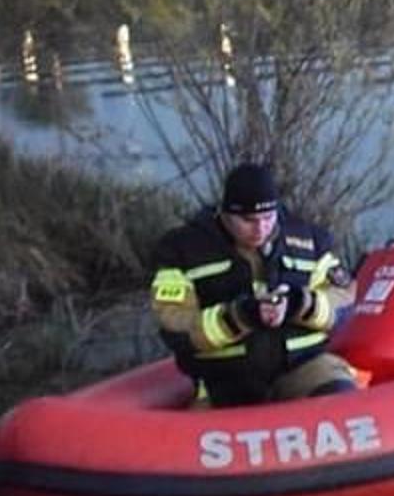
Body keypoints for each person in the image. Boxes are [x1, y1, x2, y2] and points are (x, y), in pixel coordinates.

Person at [150, 164, 357, 408]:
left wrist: (299, 304)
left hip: (302, 366)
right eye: (248, 220)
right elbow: (174, 323)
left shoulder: (308, 241)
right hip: (224, 379)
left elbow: (344, 300)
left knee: (343, 401)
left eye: (268, 217)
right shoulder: (182, 250)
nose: (260, 228)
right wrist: (241, 316)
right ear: (225, 213)